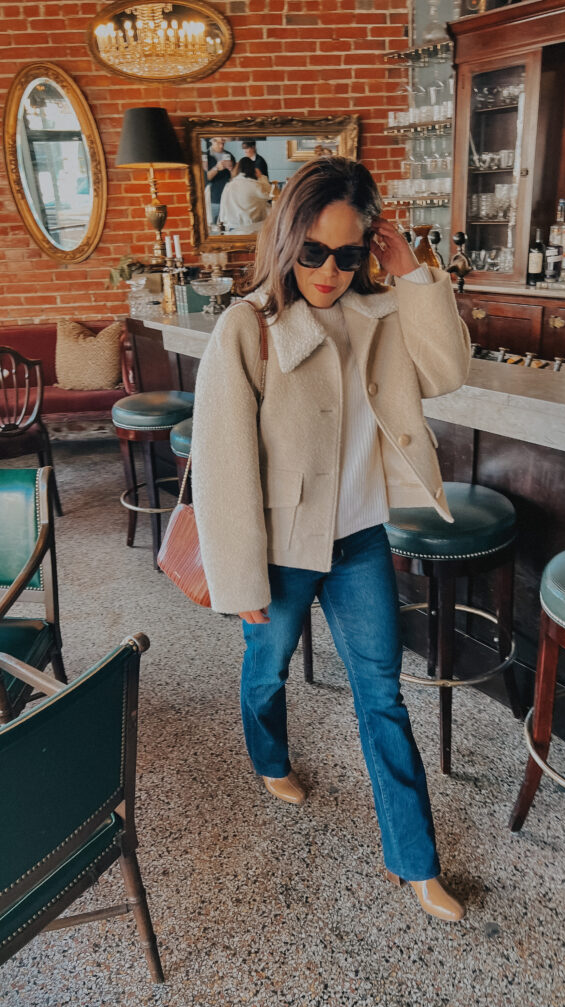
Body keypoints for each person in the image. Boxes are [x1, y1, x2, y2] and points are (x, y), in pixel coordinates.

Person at [191, 157, 471, 923]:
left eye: (348, 254)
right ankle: (268, 755)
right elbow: (222, 465)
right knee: (267, 670)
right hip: (279, 548)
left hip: (359, 545)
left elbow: (447, 370)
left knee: (382, 697)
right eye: (313, 251)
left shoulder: (378, 313)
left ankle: (414, 862)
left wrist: (410, 271)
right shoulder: (247, 326)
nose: (328, 270)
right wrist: (238, 580)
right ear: (286, 241)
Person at [218, 157, 270, 233]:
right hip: (250, 230)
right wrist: (262, 177)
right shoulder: (254, 185)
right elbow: (270, 195)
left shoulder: (228, 186)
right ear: (253, 169)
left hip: (231, 229)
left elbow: (222, 212)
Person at [204, 136, 235, 225]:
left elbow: (234, 177)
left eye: (223, 143)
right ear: (212, 141)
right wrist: (217, 168)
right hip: (214, 198)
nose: (221, 146)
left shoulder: (229, 155)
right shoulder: (205, 156)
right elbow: (206, 178)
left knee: (229, 225)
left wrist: (232, 168)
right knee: (214, 226)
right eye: (219, 143)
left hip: (229, 198)